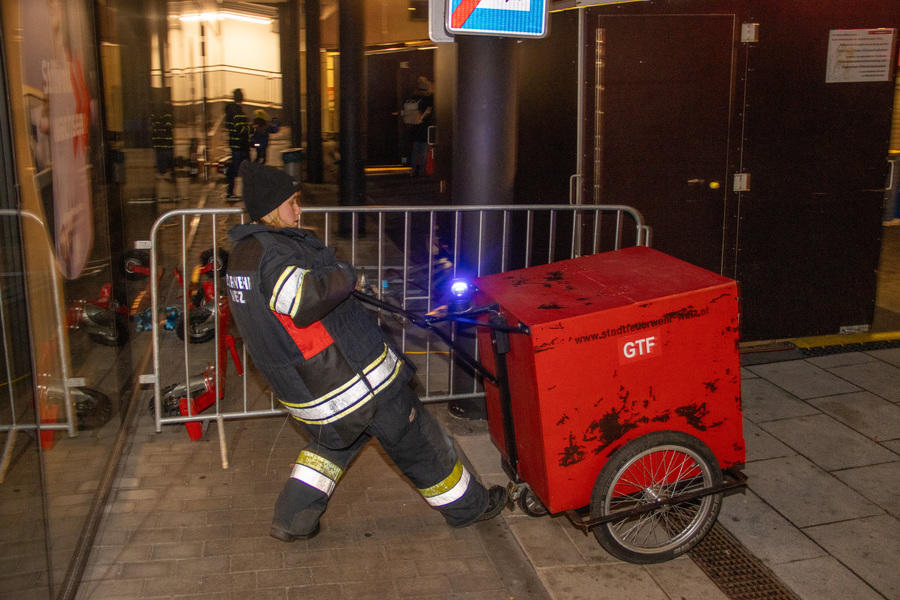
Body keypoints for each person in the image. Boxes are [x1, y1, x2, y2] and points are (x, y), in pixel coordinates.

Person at [225, 161, 507, 541]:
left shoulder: (242, 255)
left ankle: (292, 520)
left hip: (311, 391)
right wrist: (347, 275)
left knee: (332, 446)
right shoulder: (274, 252)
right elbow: (303, 298)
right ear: (272, 207)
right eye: (292, 202)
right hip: (355, 380)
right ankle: (470, 507)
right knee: (418, 440)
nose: (299, 209)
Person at [224, 88, 250, 199]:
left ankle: (231, 192)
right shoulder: (237, 112)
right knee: (243, 169)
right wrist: (251, 129)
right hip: (241, 145)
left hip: (235, 144)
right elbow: (241, 129)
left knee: (236, 169)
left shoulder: (231, 111)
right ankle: (237, 193)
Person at [408, 76, 434, 176]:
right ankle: (422, 170)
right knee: (423, 150)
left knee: (415, 150)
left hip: (415, 126)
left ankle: (413, 169)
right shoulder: (429, 97)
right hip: (425, 127)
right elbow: (429, 111)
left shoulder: (414, 96)